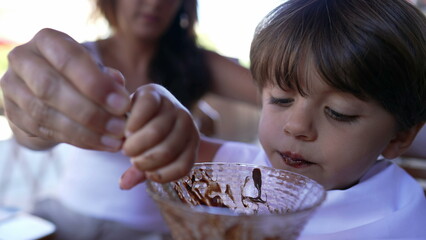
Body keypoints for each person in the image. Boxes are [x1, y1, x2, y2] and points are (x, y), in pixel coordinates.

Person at [121, 0, 426, 238]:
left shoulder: (402, 212)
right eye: (281, 99)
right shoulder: (247, 176)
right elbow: (181, 146)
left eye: (338, 113)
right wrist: (161, 107)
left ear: (399, 137)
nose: (296, 126)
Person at [0, 0, 258, 239]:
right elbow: (30, 133)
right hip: (68, 218)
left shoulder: (197, 62)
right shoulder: (83, 57)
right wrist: (30, 122)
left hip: (157, 230)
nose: (156, 2)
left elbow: (283, 91)